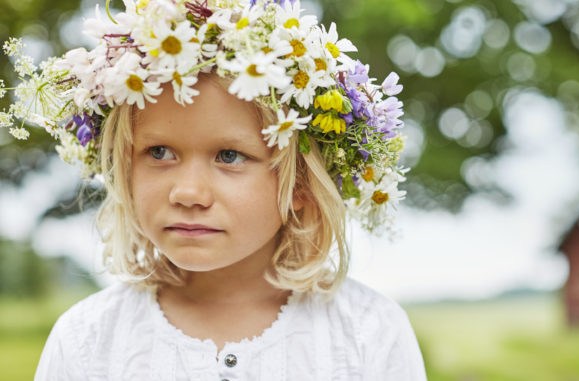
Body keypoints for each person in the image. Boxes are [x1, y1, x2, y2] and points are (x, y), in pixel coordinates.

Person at [1, 0, 424, 379]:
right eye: (160, 151)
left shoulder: (369, 334)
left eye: (229, 156)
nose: (188, 193)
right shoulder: (86, 341)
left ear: (300, 184)